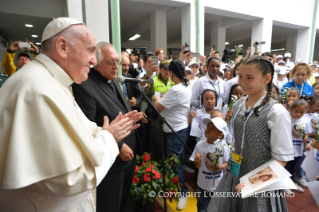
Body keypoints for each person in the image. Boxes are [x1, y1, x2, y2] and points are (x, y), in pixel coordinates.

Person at [0, 17, 142, 212]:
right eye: (90, 50)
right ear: (63, 47)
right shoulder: (37, 89)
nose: (94, 60)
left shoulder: (54, 81)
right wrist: (109, 138)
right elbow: (69, 180)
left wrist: (105, 130)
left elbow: (82, 125)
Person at [208, 56, 294, 212]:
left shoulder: (277, 112)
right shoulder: (240, 103)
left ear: (266, 79)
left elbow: (281, 160)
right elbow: (237, 142)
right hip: (235, 171)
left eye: (249, 77)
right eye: (240, 76)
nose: (242, 82)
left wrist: (252, 183)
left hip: (261, 177)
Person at [72, 42, 142, 212]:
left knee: (123, 204)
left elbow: (117, 110)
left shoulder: (113, 81)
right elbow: (88, 126)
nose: (115, 67)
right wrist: (118, 147)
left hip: (129, 157)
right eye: (110, 62)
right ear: (96, 62)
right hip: (112, 161)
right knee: (110, 205)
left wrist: (131, 115)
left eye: (117, 62)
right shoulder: (84, 86)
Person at [152, 59, 191, 210]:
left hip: (175, 131)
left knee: (175, 165)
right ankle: (175, 188)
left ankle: (183, 192)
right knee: (176, 162)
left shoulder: (176, 90)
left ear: (172, 73)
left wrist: (156, 97)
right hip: (179, 129)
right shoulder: (185, 87)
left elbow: (157, 106)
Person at [190, 117, 230, 212]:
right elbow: (197, 166)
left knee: (216, 208)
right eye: (208, 126)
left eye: (212, 128)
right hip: (202, 185)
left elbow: (227, 163)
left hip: (217, 186)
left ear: (220, 135)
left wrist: (220, 167)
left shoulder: (223, 146)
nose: (207, 129)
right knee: (202, 208)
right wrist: (196, 161)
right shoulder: (200, 145)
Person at [139, 59, 174, 160]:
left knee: (168, 143)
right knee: (157, 142)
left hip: (170, 116)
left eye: (169, 69)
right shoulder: (152, 80)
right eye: (165, 69)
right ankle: (157, 165)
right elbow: (145, 98)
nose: (167, 71)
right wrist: (142, 111)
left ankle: (167, 166)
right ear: (160, 69)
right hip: (155, 116)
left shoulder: (173, 81)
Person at [285, 99, 311, 193]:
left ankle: (292, 182)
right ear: (291, 109)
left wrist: (305, 138)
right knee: (285, 167)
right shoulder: (287, 118)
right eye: (296, 111)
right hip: (287, 149)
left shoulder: (305, 121)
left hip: (298, 149)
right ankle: (284, 184)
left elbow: (307, 133)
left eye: (302, 112)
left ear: (306, 111)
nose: (298, 114)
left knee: (293, 167)